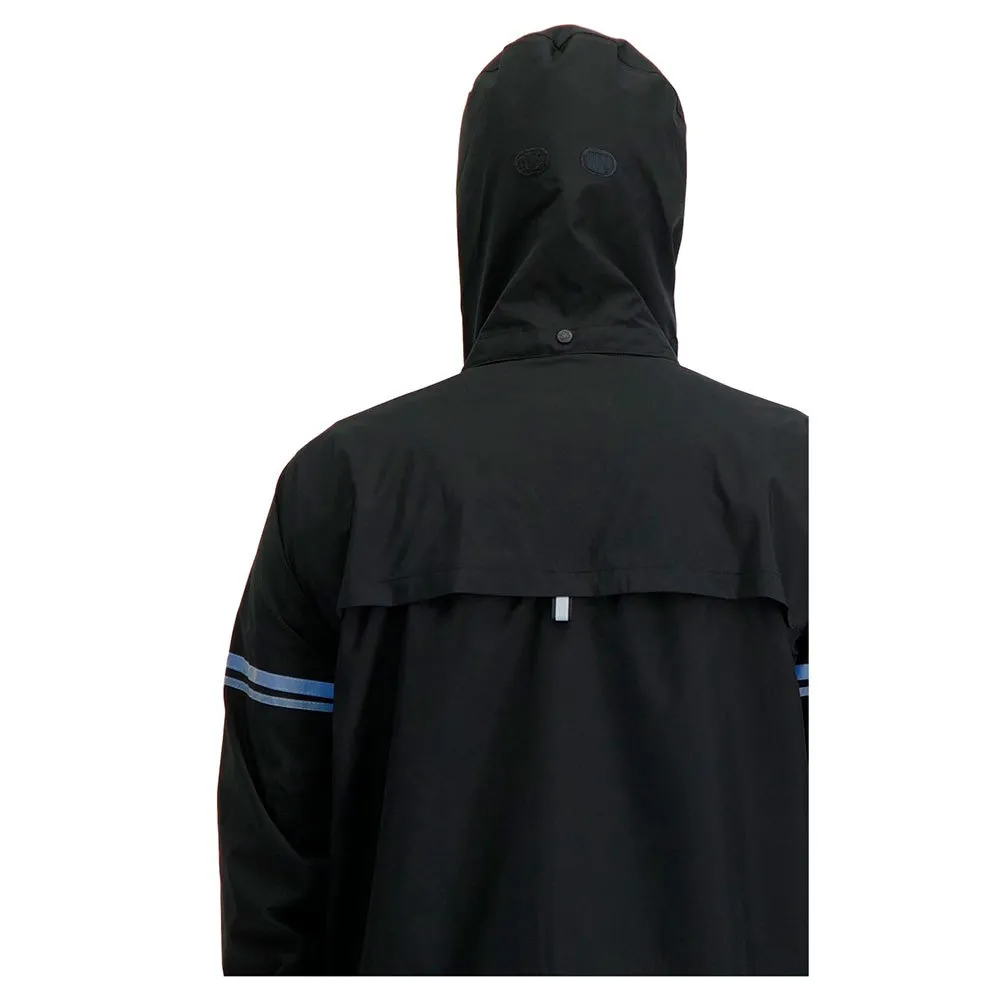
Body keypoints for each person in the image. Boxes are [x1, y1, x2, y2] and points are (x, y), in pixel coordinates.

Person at [217, 24, 808, 975]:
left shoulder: (342, 486)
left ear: (478, 203)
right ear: (664, 202)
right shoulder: (793, 479)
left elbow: (275, 884)